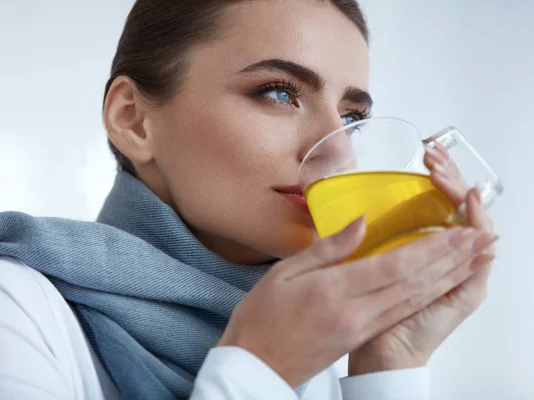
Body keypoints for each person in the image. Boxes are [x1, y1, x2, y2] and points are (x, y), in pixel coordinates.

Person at [0, 1, 497, 399]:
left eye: (350, 118)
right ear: (133, 120)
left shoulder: (311, 345)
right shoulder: (15, 308)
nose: (339, 147)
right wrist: (259, 369)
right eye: (279, 93)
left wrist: (391, 363)